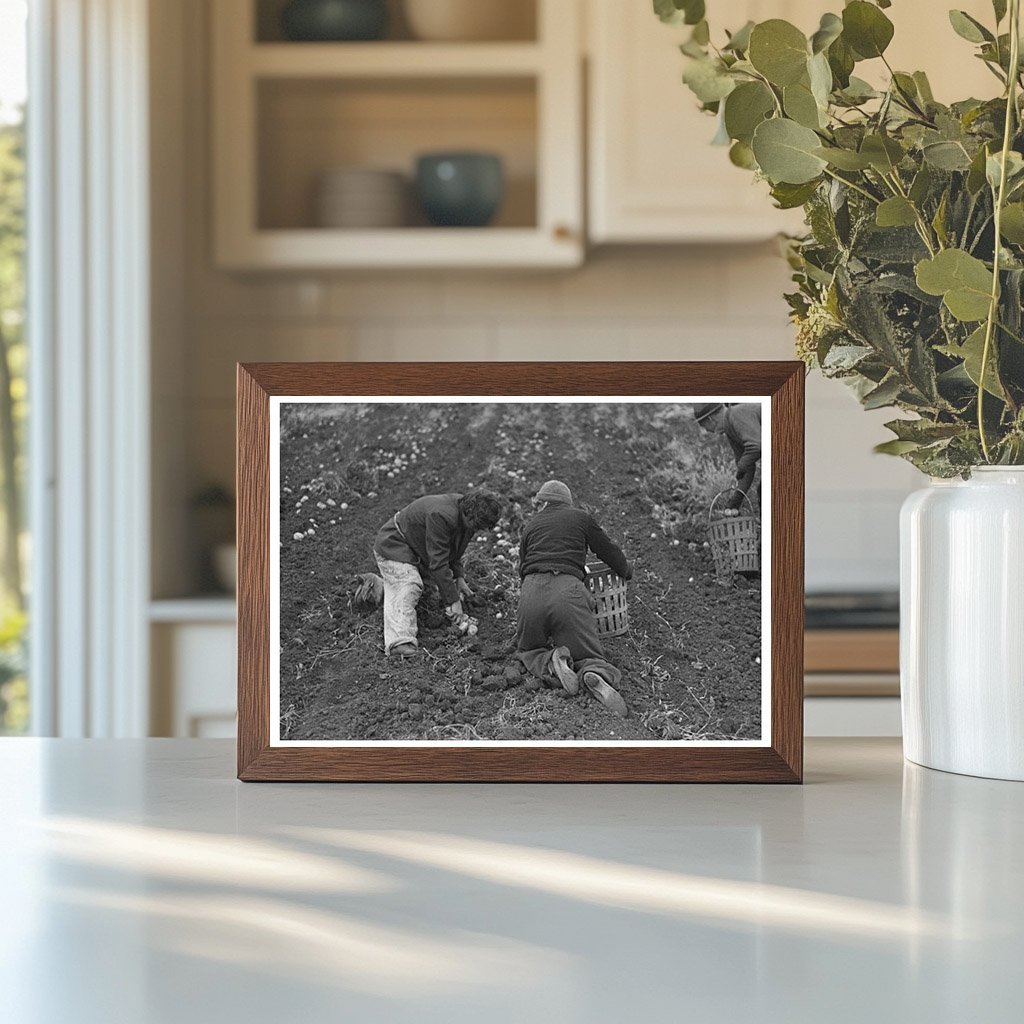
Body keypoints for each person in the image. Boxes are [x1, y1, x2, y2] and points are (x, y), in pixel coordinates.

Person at [515, 480, 633, 717]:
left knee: (529, 649)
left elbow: (522, 566)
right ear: (567, 502)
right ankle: (594, 673)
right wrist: (626, 571)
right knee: (588, 654)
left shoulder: (531, 526)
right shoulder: (581, 518)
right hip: (568, 591)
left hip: (531, 592)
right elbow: (607, 549)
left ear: (543, 502)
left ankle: (552, 662)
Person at [373, 490, 504, 657]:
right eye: (478, 526)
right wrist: (454, 601)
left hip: (418, 550)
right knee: (409, 585)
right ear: (470, 514)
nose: (478, 530)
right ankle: (398, 642)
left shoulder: (468, 514)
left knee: (428, 593)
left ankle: (381, 588)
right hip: (394, 544)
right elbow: (439, 563)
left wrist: (459, 578)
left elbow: (453, 550)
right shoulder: (441, 515)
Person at [694, 403, 762, 509]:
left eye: (704, 426)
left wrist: (742, 465)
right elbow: (747, 468)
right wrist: (737, 497)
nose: (707, 430)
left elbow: (757, 446)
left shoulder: (737, 415)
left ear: (711, 419)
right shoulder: (730, 429)